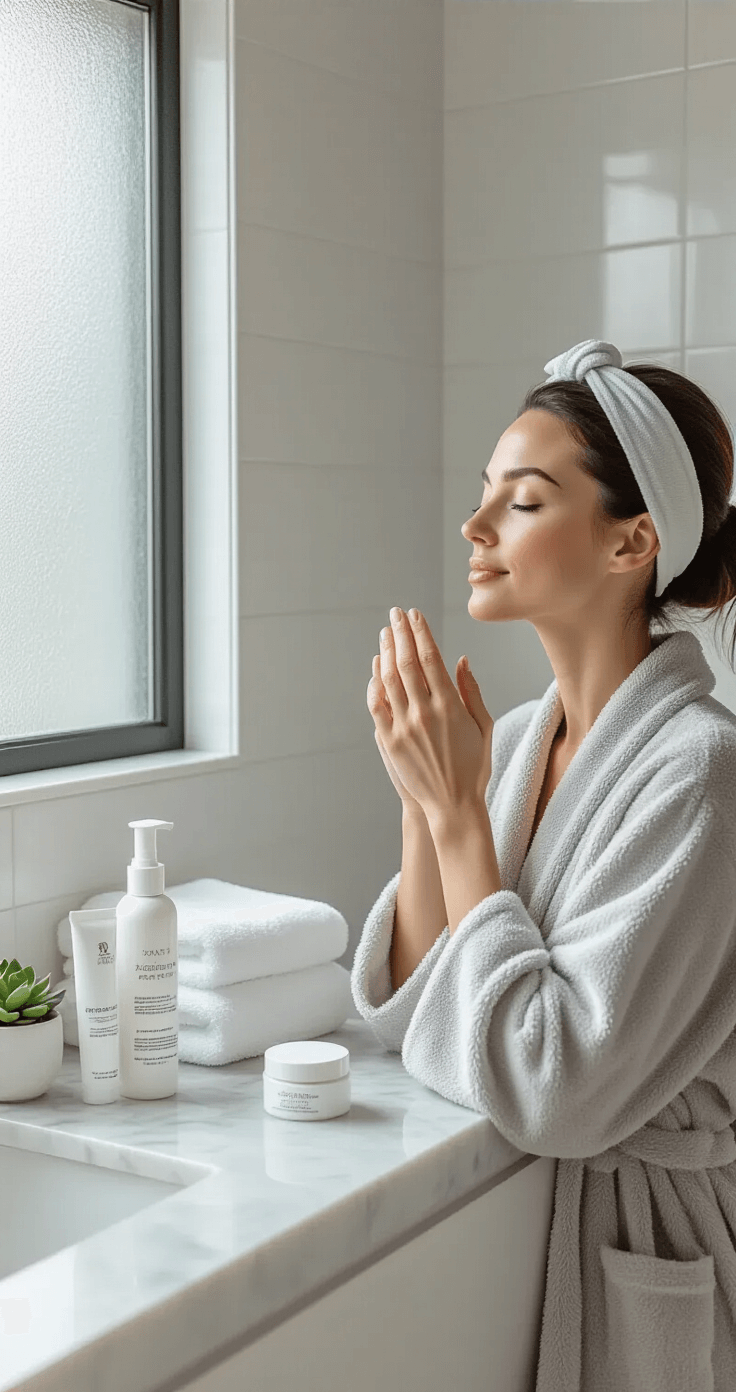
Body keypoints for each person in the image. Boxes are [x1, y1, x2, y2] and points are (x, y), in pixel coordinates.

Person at [351, 340, 736, 1391]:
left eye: (521, 503)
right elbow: (415, 1010)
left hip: (644, 1238)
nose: (475, 528)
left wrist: (458, 817)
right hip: (521, 1233)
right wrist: (426, 799)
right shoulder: (521, 738)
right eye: (484, 498)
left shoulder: (701, 771)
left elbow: (552, 1085)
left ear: (632, 543)